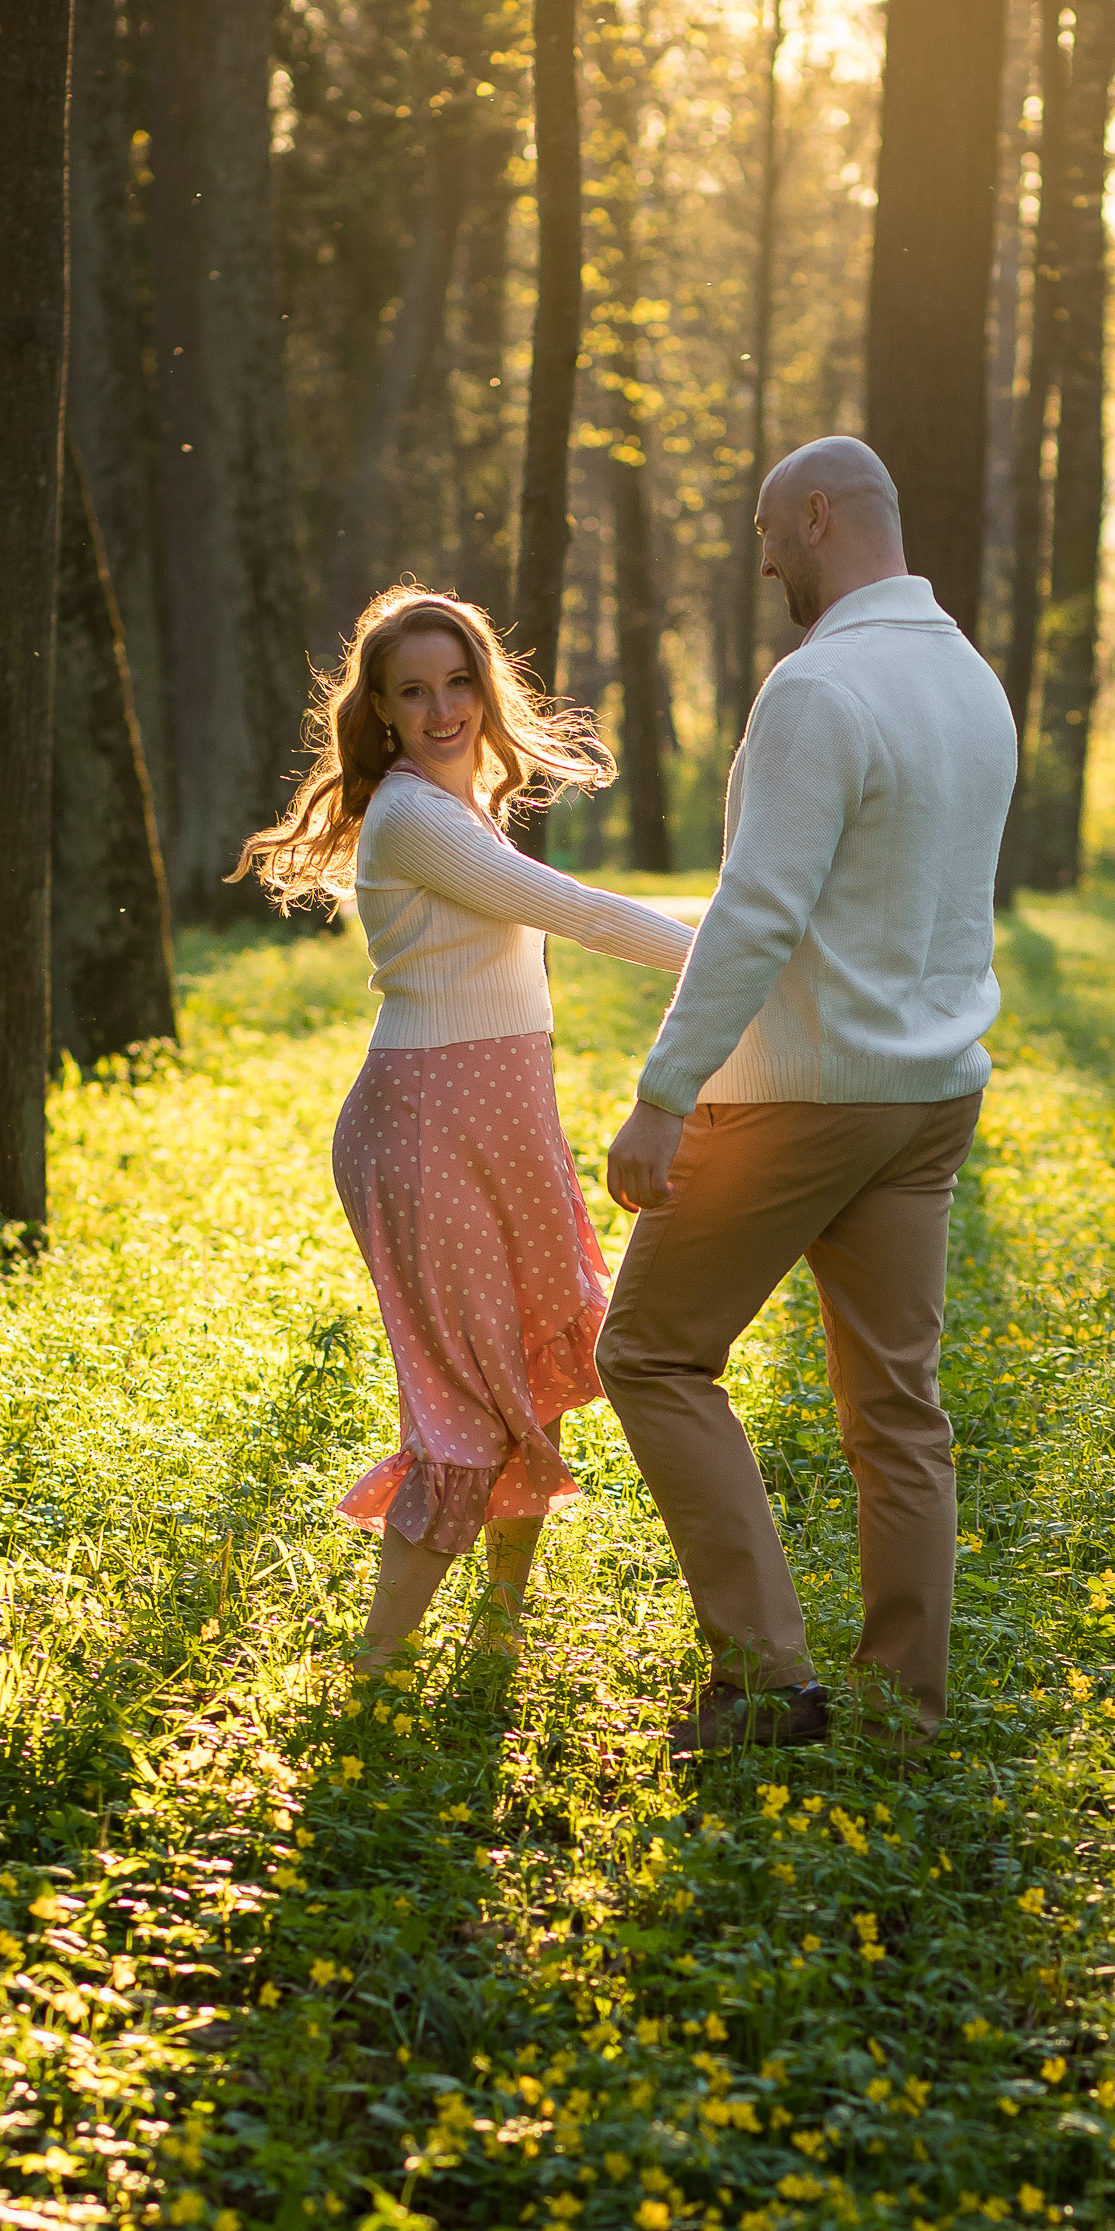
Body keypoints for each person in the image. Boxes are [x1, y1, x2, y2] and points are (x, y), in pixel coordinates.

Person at [598, 439, 1018, 1762]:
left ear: (820, 516)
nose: (765, 557)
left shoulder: (820, 685)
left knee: (651, 1354)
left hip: (804, 1097)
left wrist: (664, 1094)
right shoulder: (971, 680)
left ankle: (763, 1679)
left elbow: (758, 911)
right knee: (899, 1412)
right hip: (930, 1097)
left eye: (769, 529)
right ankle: (900, 1715)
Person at [237, 585, 694, 1678]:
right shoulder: (415, 817)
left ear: (485, 689)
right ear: (382, 710)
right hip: (428, 1125)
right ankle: (376, 1668)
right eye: (414, 692)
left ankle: (500, 1629)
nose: (442, 710)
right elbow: (580, 912)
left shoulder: (464, 805)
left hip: (505, 1120)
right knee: (465, 1402)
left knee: (529, 1372)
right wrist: (751, 952)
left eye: (457, 684)